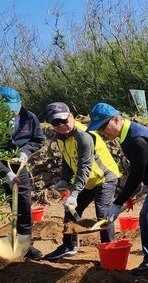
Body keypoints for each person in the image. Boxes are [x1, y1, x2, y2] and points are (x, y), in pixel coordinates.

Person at [87, 102, 148, 282]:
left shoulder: (136, 139)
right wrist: (144, 186)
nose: (102, 132)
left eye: (103, 127)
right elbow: (143, 166)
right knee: (144, 216)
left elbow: (136, 173)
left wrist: (117, 203)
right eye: (98, 129)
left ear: (116, 119)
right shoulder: (126, 136)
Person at [42, 102, 121, 261]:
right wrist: (64, 180)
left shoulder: (84, 136)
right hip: (88, 180)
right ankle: (69, 245)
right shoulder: (60, 137)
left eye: (64, 120)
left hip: (104, 177)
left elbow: (84, 167)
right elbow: (67, 159)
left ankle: (109, 251)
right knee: (71, 211)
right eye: (55, 123)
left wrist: (74, 194)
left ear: (71, 116)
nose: (61, 126)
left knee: (103, 214)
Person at [0, 86, 45, 259]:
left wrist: (25, 152)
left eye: (14, 109)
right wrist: (5, 173)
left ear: (20, 104)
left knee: (22, 205)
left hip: (18, 167)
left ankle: (25, 246)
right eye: (6, 111)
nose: (12, 114)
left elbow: (38, 139)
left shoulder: (29, 117)